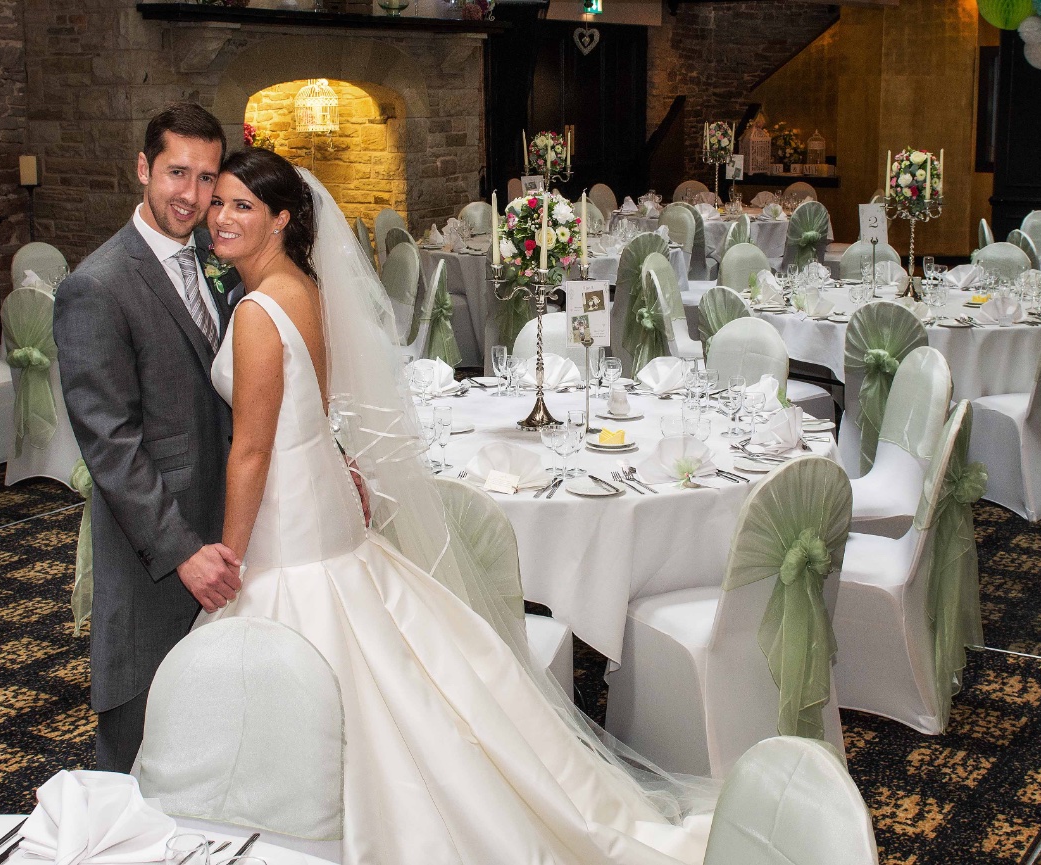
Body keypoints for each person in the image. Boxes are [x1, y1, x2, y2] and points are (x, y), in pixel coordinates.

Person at [200, 148, 715, 864]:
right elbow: (314, 413)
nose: (219, 216)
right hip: (319, 499)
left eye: (240, 205)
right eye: (218, 202)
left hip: (289, 522)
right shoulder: (303, 288)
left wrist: (228, 555)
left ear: (282, 218)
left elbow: (252, 450)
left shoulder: (259, 308)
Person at [53, 102, 243, 773]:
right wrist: (181, 550)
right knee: (140, 732)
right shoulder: (95, 287)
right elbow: (111, 445)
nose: (191, 196)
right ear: (143, 168)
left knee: (215, 727)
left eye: (206, 179)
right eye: (176, 173)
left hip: (227, 530)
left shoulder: (217, 262)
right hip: (154, 557)